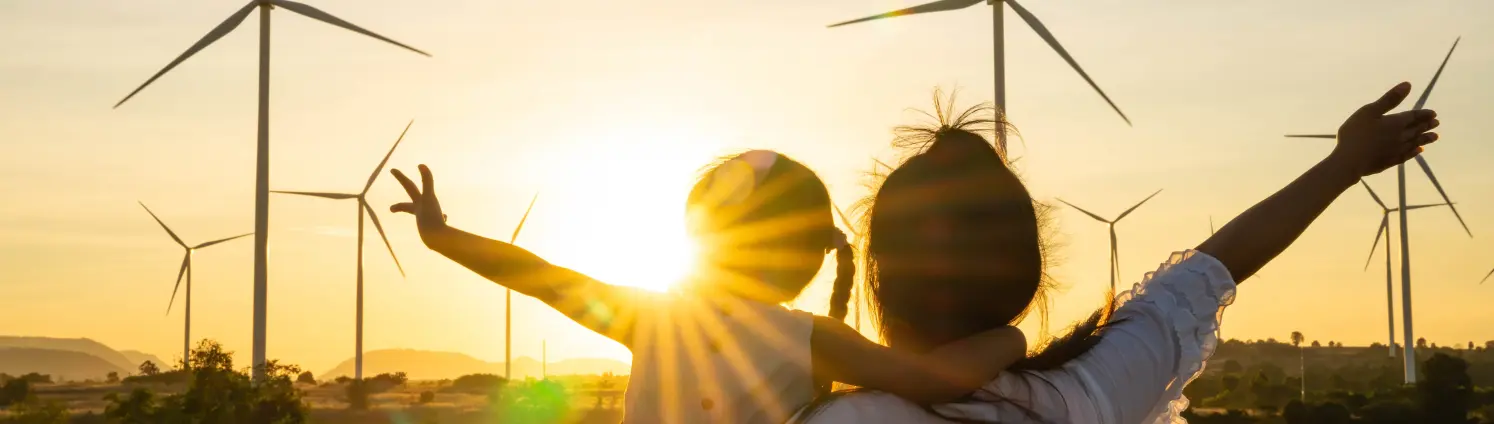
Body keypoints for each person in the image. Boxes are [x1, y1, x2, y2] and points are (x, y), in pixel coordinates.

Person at [794, 82, 1440, 423]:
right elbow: (1218, 264)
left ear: (877, 273)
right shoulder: (1089, 391)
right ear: (1027, 272)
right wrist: (1343, 164)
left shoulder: (835, 418)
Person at [387, 150, 1029, 423]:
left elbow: (535, 277)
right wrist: (1010, 338)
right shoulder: (813, 338)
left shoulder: (650, 317)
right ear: (806, 258)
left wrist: (441, 235)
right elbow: (936, 380)